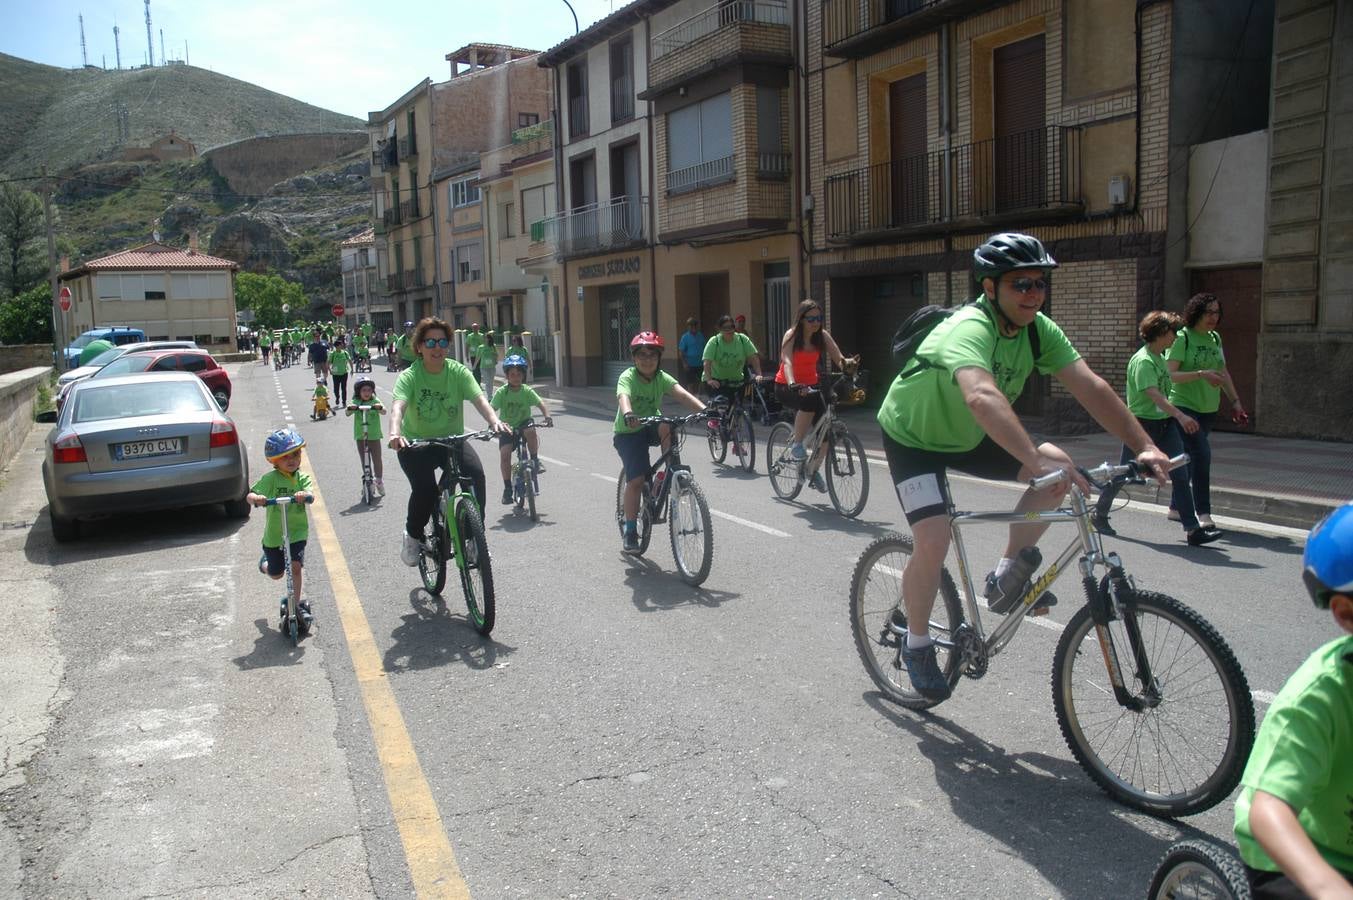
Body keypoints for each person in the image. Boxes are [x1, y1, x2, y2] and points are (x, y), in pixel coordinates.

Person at [876, 232, 1171, 701]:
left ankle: (1005, 573)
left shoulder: (1037, 330)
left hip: (971, 435)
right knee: (934, 538)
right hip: (914, 437)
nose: (1033, 294)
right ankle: (915, 643)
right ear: (990, 287)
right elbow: (981, 395)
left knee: (1060, 470)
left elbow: (1090, 386)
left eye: (1039, 283)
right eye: (1020, 284)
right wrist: (1031, 460)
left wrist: (1145, 445)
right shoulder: (969, 328)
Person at [1233, 503, 1353, 899]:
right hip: (1302, 851)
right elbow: (1269, 811)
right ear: (1346, 613)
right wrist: (1329, 888)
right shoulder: (1321, 695)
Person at [387, 317, 509, 567]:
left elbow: (479, 399)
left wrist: (494, 421)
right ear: (419, 346)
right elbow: (398, 407)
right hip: (415, 444)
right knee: (426, 491)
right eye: (430, 341)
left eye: (442, 341)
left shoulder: (458, 371)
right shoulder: (410, 376)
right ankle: (413, 535)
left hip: (452, 442)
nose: (437, 347)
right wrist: (394, 434)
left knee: (475, 476)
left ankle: (472, 538)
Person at [1090, 311, 1219, 546]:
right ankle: (1098, 514)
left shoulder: (1160, 357)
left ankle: (1192, 529)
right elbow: (1155, 395)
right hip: (1141, 426)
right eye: (1173, 332)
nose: (1176, 337)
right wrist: (1181, 415)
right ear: (1160, 333)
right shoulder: (1144, 361)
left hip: (1164, 425)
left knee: (1180, 470)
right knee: (1123, 474)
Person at [614, 331, 706, 554]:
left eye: (652, 355)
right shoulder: (627, 377)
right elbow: (623, 397)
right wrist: (628, 413)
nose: (647, 359)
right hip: (628, 431)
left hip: (652, 424)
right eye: (642, 355)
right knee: (636, 480)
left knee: (667, 423)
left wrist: (706, 412)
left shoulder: (661, 377)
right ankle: (629, 530)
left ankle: (672, 470)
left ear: (658, 359)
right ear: (634, 358)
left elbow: (682, 395)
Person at [1165, 292, 1249, 536]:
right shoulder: (1182, 337)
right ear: (1196, 313)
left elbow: (1223, 371)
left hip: (1208, 408)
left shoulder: (1215, 338)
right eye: (1208, 312)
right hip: (1184, 406)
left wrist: (1236, 402)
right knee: (1202, 455)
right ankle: (1203, 513)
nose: (1214, 317)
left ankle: (1175, 507)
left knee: (1189, 457)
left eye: (1217, 312)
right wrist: (1201, 374)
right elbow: (1170, 374)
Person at [773, 299, 854, 493]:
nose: (816, 322)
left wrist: (847, 364)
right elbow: (787, 361)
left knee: (826, 435)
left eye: (819, 318)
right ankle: (798, 444)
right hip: (786, 385)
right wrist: (792, 382)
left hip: (812, 385)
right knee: (808, 401)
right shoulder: (791, 335)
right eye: (811, 319)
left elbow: (838, 357)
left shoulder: (822, 336)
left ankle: (811, 470)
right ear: (801, 319)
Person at [247, 427, 315, 626]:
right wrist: (256, 499)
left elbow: (310, 492)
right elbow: (250, 495)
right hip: (275, 535)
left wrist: (305, 495)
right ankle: (265, 564)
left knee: (295, 567)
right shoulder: (271, 479)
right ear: (274, 460)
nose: (292, 460)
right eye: (286, 457)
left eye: (295, 454)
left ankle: (295, 604)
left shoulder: (301, 478)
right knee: (276, 574)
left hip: (297, 532)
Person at [491, 354, 551, 505]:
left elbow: (540, 403)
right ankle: (507, 489)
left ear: (523, 375)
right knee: (505, 455)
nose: (516, 377)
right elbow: (491, 409)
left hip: (524, 423)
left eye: (519, 374)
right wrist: (494, 423)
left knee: (531, 430)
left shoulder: (526, 391)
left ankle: (535, 460)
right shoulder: (501, 392)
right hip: (507, 427)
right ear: (507, 376)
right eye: (512, 375)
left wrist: (547, 416)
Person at [702, 314, 760, 420]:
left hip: (737, 381)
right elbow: (707, 362)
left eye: (732, 327)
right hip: (717, 382)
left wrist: (759, 374)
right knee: (720, 408)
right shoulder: (714, 342)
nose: (729, 330)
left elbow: (754, 357)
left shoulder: (742, 339)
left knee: (735, 411)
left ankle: (734, 431)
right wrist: (709, 379)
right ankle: (714, 424)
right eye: (725, 328)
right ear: (719, 329)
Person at [346, 376, 385, 497]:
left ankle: (378, 481)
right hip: (360, 436)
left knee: (377, 458)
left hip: (374, 435)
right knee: (364, 459)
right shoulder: (356, 401)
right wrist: (350, 408)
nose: (367, 393)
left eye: (369, 390)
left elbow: (384, 411)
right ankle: (368, 479)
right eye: (364, 390)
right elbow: (347, 412)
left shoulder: (374, 400)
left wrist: (380, 408)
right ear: (359, 392)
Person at [677, 318, 706, 393]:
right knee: (690, 383)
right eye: (691, 325)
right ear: (688, 327)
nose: (693, 327)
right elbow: (681, 351)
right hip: (689, 364)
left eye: (694, 325)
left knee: (702, 381)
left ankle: (699, 396)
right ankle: (691, 397)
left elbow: (705, 348)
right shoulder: (685, 337)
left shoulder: (700, 335)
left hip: (700, 363)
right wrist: (684, 363)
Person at [478, 330, 500, 402]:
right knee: (487, 382)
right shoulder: (480, 347)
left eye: (486, 338)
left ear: (489, 339)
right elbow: (478, 357)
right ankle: (489, 396)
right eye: (484, 338)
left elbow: (497, 354)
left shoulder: (493, 346)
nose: (485, 339)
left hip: (492, 367)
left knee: (491, 382)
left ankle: (490, 395)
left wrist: (494, 356)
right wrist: (474, 366)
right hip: (483, 367)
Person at [329, 336, 351, 407]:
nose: (342, 345)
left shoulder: (345, 353)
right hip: (335, 373)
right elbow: (328, 363)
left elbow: (349, 361)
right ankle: (337, 397)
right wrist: (330, 370)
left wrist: (352, 369)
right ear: (337, 346)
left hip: (344, 372)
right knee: (336, 388)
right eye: (341, 344)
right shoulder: (333, 353)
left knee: (344, 388)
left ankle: (344, 401)